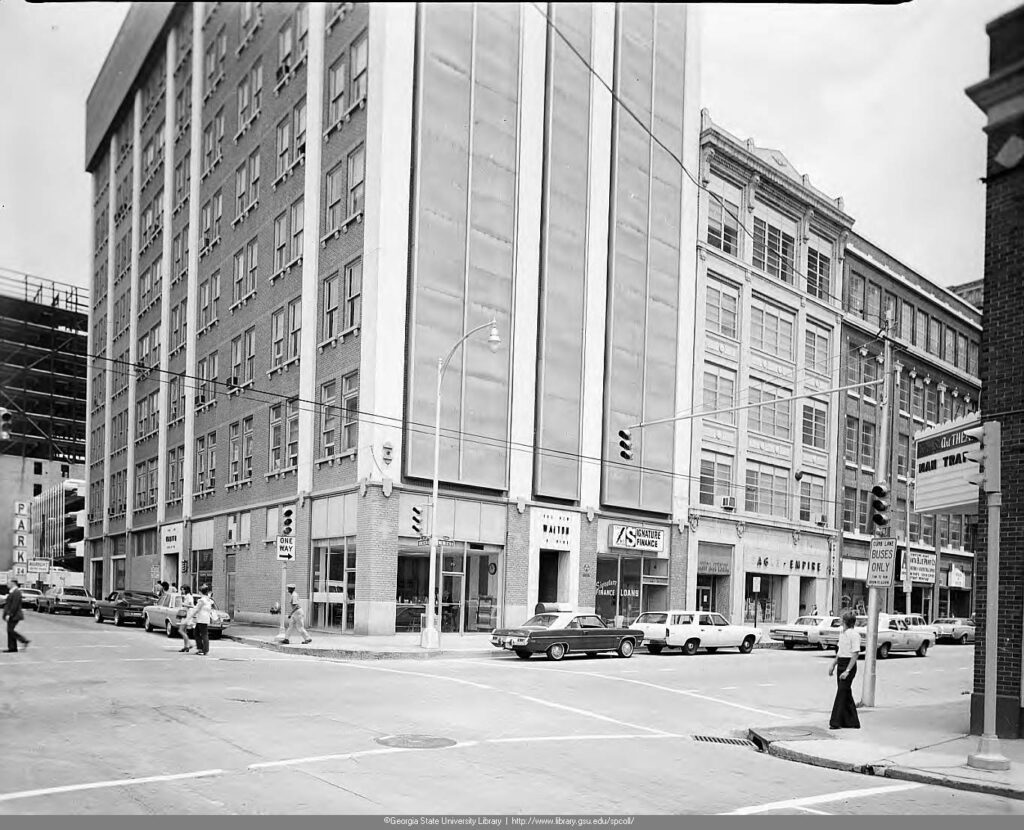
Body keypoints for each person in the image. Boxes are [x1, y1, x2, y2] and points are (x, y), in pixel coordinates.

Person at [829, 609, 862, 730]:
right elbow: (840, 651)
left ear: (845, 621)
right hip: (841, 663)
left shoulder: (854, 635)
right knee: (846, 693)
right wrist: (833, 664)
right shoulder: (842, 634)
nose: (840, 622)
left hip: (849, 665)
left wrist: (847, 671)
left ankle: (835, 721)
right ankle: (852, 721)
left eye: (841, 620)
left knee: (841, 692)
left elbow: (855, 654)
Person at [3, 580, 30, 653]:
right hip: (13, 614)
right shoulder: (12, 592)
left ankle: (24, 640)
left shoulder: (16, 592)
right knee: (10, 631)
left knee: (10, 630)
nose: (7, 584)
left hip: (15, 615)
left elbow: (14, 605)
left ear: (13, 583)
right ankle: (12, 648)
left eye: (8, 583)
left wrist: (9, 614)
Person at [191, 585, 214, 656]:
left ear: (200, 592)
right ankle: (201, 648)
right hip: (205, 618)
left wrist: (191, 616)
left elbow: (197, 609)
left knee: (202, 634)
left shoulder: (202, 600)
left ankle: (204, 649)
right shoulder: (208, 599)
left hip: (201, 618)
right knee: (197, 633)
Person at [177, 586, 195, 653]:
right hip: (186, 615)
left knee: (180, 630)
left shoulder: (189, 596)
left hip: (187, 615)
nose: (182, 591)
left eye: (183, 590)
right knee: (183, 630)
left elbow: (192, 605)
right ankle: (186, 646)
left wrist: (183, 604)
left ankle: (189, 644)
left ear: (186, 590)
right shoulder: (187, 596)